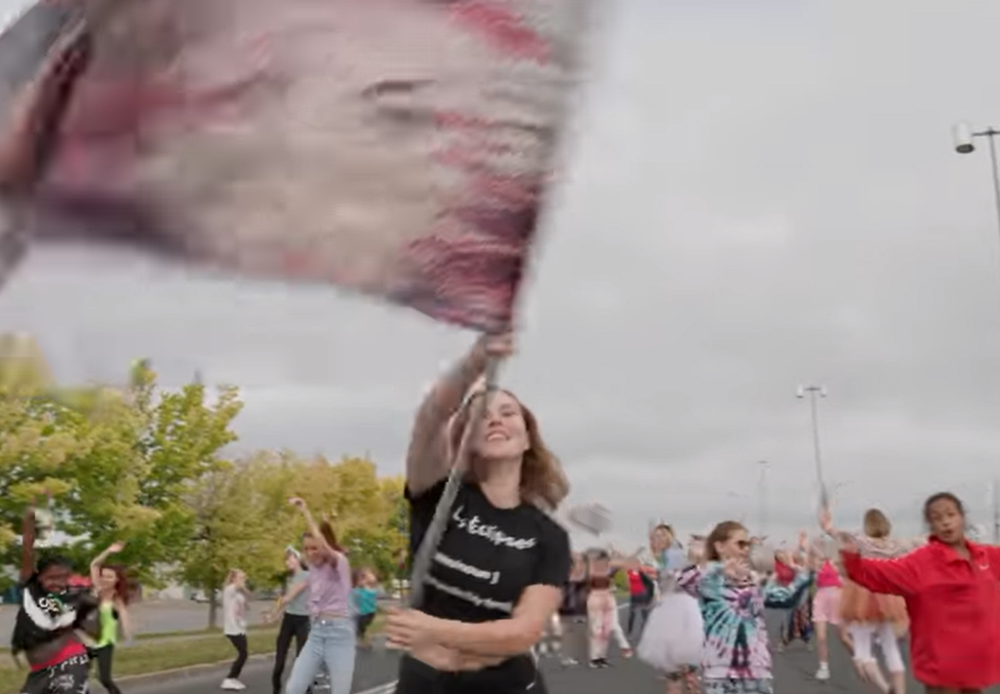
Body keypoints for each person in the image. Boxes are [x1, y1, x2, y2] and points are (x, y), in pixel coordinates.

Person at [385, 333, 571, 694]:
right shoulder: (438, 495)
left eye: (507, 413)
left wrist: (433, 631)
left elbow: (523, 631)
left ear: (528, 435)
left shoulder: (549, 536)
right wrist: (474, 362)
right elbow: (430, 419)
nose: (495, 420)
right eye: (481, 417)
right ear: (466, 437)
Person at [830, 493, 1000, 694]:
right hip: (941, 663)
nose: (945, 522)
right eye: (937, 518)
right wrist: (852, 559)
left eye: (950, 515)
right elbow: (878, 573)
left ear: (962, 517)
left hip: (975, 658)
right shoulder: (922, 563)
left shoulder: (986, 556)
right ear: (930, 525)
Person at [678, 520, 811, 694]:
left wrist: (801, 572)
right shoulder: (708, 580)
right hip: (719, 672)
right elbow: (683, 579)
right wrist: (721, 568)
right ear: (720, 546)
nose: (746, 549)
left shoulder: (754, 579)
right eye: (740, 544)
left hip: (756, 669)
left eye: (748, 544)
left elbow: (784, 598)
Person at [11, 504, 99, 693]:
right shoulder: (31, 589)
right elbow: (27, 552)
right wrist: (28, 522)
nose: (58, 583)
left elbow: (94, 628)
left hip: (69, 664)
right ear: (38, 576)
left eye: (63, 578)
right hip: (39, 672)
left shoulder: (72, 598)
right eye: (52, 577)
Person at [822, 507, 909, 694]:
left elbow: (843, 538)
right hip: (889, 598)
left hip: (863, 597)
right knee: (891, 650)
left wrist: (829, 528)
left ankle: (886, 689)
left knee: (862, 652)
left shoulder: (861, 541)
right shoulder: (897, 546)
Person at [284, 497, 357, 694]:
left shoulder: (338, 562)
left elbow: (323, 542)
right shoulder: (313, 570)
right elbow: (300, 586)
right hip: (317, 632)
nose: (310, 552)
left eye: (314, 548)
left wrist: (305, 510)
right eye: (306, 549)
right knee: (293, 689)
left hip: (340, 634)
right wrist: (281, 604)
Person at [88, 542, 133, 694]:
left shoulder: (117, 600)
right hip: (86, 641)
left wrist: (127, 632)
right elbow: (94, 565)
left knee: (105, 679)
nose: (104, 579)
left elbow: (124, 616)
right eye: (103, 576)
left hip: (105, 644)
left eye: (109, 577)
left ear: (116, 580)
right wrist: (108, 550)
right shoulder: (97, 589)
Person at [809, 541, 853, 683]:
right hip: (820, 600)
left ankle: (860, 656)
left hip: (837, 599)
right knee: (821, 637)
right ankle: (824, 667)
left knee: (844, 637)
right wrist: (805, 547)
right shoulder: (816, 566)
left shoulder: (836, 564)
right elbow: (809, 558)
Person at [269, 546, 311, 694]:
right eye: (285, 560)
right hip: (288, 620)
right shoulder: (289, 578)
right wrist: (276, 615)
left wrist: (274, 610)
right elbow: (284, 600)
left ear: (297, 558)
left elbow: (290, 596)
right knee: (279, 662)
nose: (287, 562)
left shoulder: (307, 576)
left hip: (303, 621)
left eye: (289, 558)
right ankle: (276, 689)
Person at [221, 569, 249, 691]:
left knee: (243, 653)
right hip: (232, 628)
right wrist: (238, 576)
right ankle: (229, 679)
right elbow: (238, 586)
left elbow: (246, 601)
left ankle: (232, 678)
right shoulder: (229, 590)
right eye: (240, 578)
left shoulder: (238, 593)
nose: (243, 580)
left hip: (240, 627)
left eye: (244, 578)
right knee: (243, 653)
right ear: (233, 579)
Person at [352, 568, 379, 648]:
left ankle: (366, 641)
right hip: (365, 613)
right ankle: (364, 640)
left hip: (367, 613)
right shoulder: (360, 590)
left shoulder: (370, 590)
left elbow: (371, 583)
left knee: (360, 628)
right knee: (359, 628)